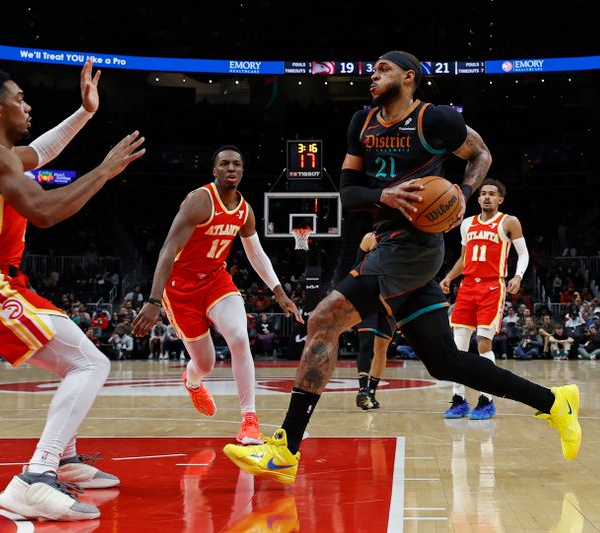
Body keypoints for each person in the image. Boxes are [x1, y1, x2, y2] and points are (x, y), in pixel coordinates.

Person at [223, 51, 581, 485]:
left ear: (409, 77)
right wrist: (384, 195)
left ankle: (285, 448)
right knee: (444, 361)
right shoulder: (363, 124)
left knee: (323, 320)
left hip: (415, 248)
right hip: (390, 244)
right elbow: (349, 193)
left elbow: (481, 153)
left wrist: (461, 195)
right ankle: (554, 402)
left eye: (383, 70)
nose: (373, 76)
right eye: (372, 71)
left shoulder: (437, 120)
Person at [0, 60, 145, 521]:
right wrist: (103, 172)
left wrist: (86, 112)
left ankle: (65, 461)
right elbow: (44, 212)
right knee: (91, 363)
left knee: (76, 357)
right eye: (19, 99)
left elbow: (40, 152)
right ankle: (36, 476)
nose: (27, 106)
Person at [131, 145, 302, 445]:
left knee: (238, 336)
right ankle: (193, 380)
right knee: (206, 364)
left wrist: (278, 291)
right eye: (224, 164)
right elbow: (168, 249)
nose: (231, 168)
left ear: (243, 171)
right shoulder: (200, 200)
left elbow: (256, 253)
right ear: (214, 170)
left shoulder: (244, 210)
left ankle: (249, 420)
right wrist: (153, 300)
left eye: (237, 164)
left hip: (215, 281)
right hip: (179, 289)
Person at [439, 179, 528, 420]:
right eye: (483, 194)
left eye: (492, 194)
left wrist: (518, 276)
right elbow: (463, 259)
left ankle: (486, 400)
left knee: (483, 345)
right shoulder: (467, 224)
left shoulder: (509, 222)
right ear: (478, 199)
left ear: (500, 199)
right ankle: (459, 400)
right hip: (467, 287)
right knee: (456, 347)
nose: (487, 197)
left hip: (492, 287)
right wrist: (448, 277)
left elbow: (523, 253)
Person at [352, 231, 394, 410]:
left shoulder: (404, 241)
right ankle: (362, 390)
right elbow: (356, 267)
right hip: (368, 298)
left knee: (381, 348)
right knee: (366, 343)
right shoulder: (370, 237)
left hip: (390, 299)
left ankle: (372, 394)